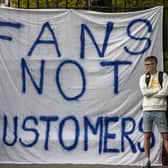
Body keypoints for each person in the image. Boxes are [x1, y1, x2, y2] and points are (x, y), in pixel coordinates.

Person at [139, 56, 168, 168]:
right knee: (147, 135)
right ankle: (147, 160)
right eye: (146, 64)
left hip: (160, 108)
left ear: (155, 64)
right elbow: (144, 92)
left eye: (149, 64)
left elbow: (165, 92)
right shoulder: (143, 77)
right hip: (147, 109)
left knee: (165, 136)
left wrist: (151, 93)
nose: (147, 66)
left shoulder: (163, 76)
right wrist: (157, 90)